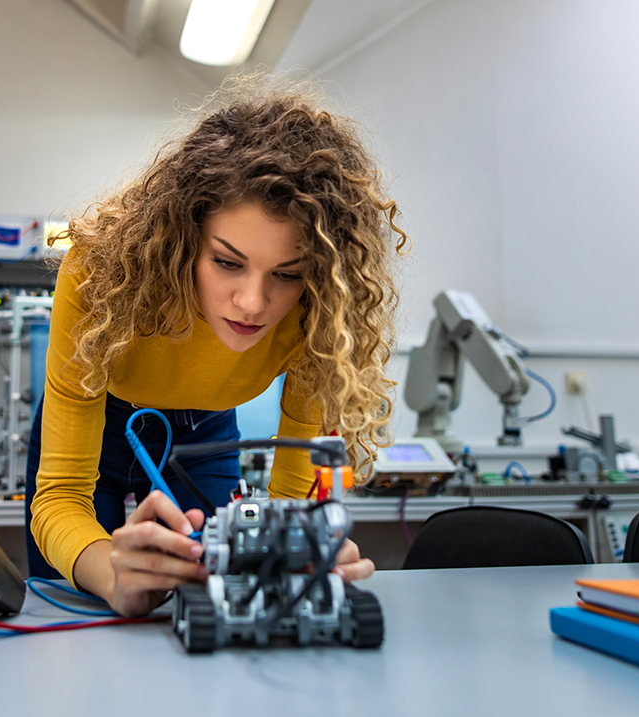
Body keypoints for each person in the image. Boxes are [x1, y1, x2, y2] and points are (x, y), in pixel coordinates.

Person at [26, 75, 408, 617]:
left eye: (288, 273)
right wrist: (113, 576)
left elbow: (292, 499)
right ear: (183, 236)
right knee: (80, 607)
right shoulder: (98, 273)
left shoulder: (319, 312)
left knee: (221, 590)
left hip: (205, 431)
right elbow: (61, 497)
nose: (253, 302)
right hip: (101, 423)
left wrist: (298, 555)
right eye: (227, 262)